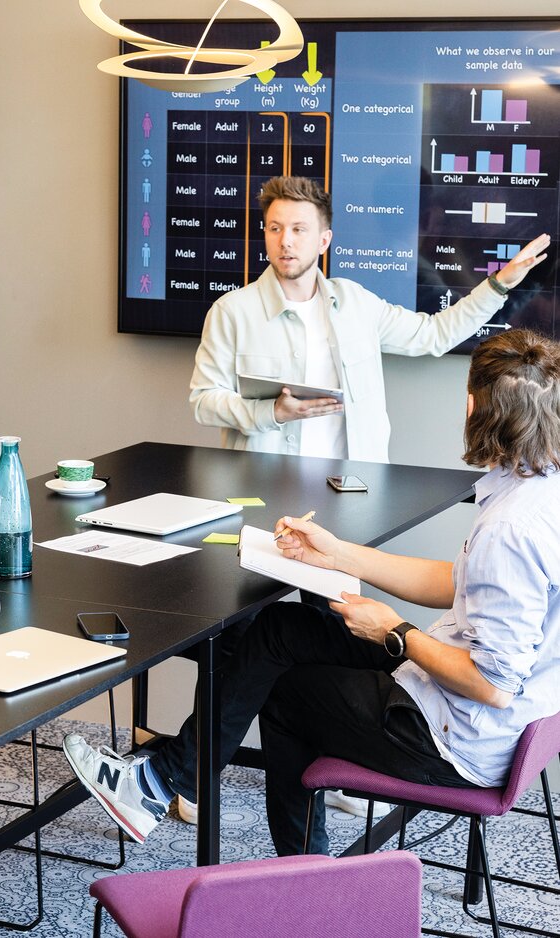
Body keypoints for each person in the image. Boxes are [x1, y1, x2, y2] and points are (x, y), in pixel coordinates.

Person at [65, 328, 560, 855]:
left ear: (472, 406)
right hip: (479, 707)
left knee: (282, 695)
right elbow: (454, 583)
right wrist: (335, 553)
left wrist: (394, 632)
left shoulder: (510, 529)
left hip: (452, 735)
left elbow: (491, 685)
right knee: (279, 630)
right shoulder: (538, 490)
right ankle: (165, 781)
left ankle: (301, 881)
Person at [190, 175, 551, 462]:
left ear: (323, 240)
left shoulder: (355, 302)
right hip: (264, 488)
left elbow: (435, 334)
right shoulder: (231, 311)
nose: (286, 241)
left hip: (351, 489)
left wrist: (498, 285)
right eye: (275, 228)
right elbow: (204, 403)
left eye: (299, 229)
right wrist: (272, 412)